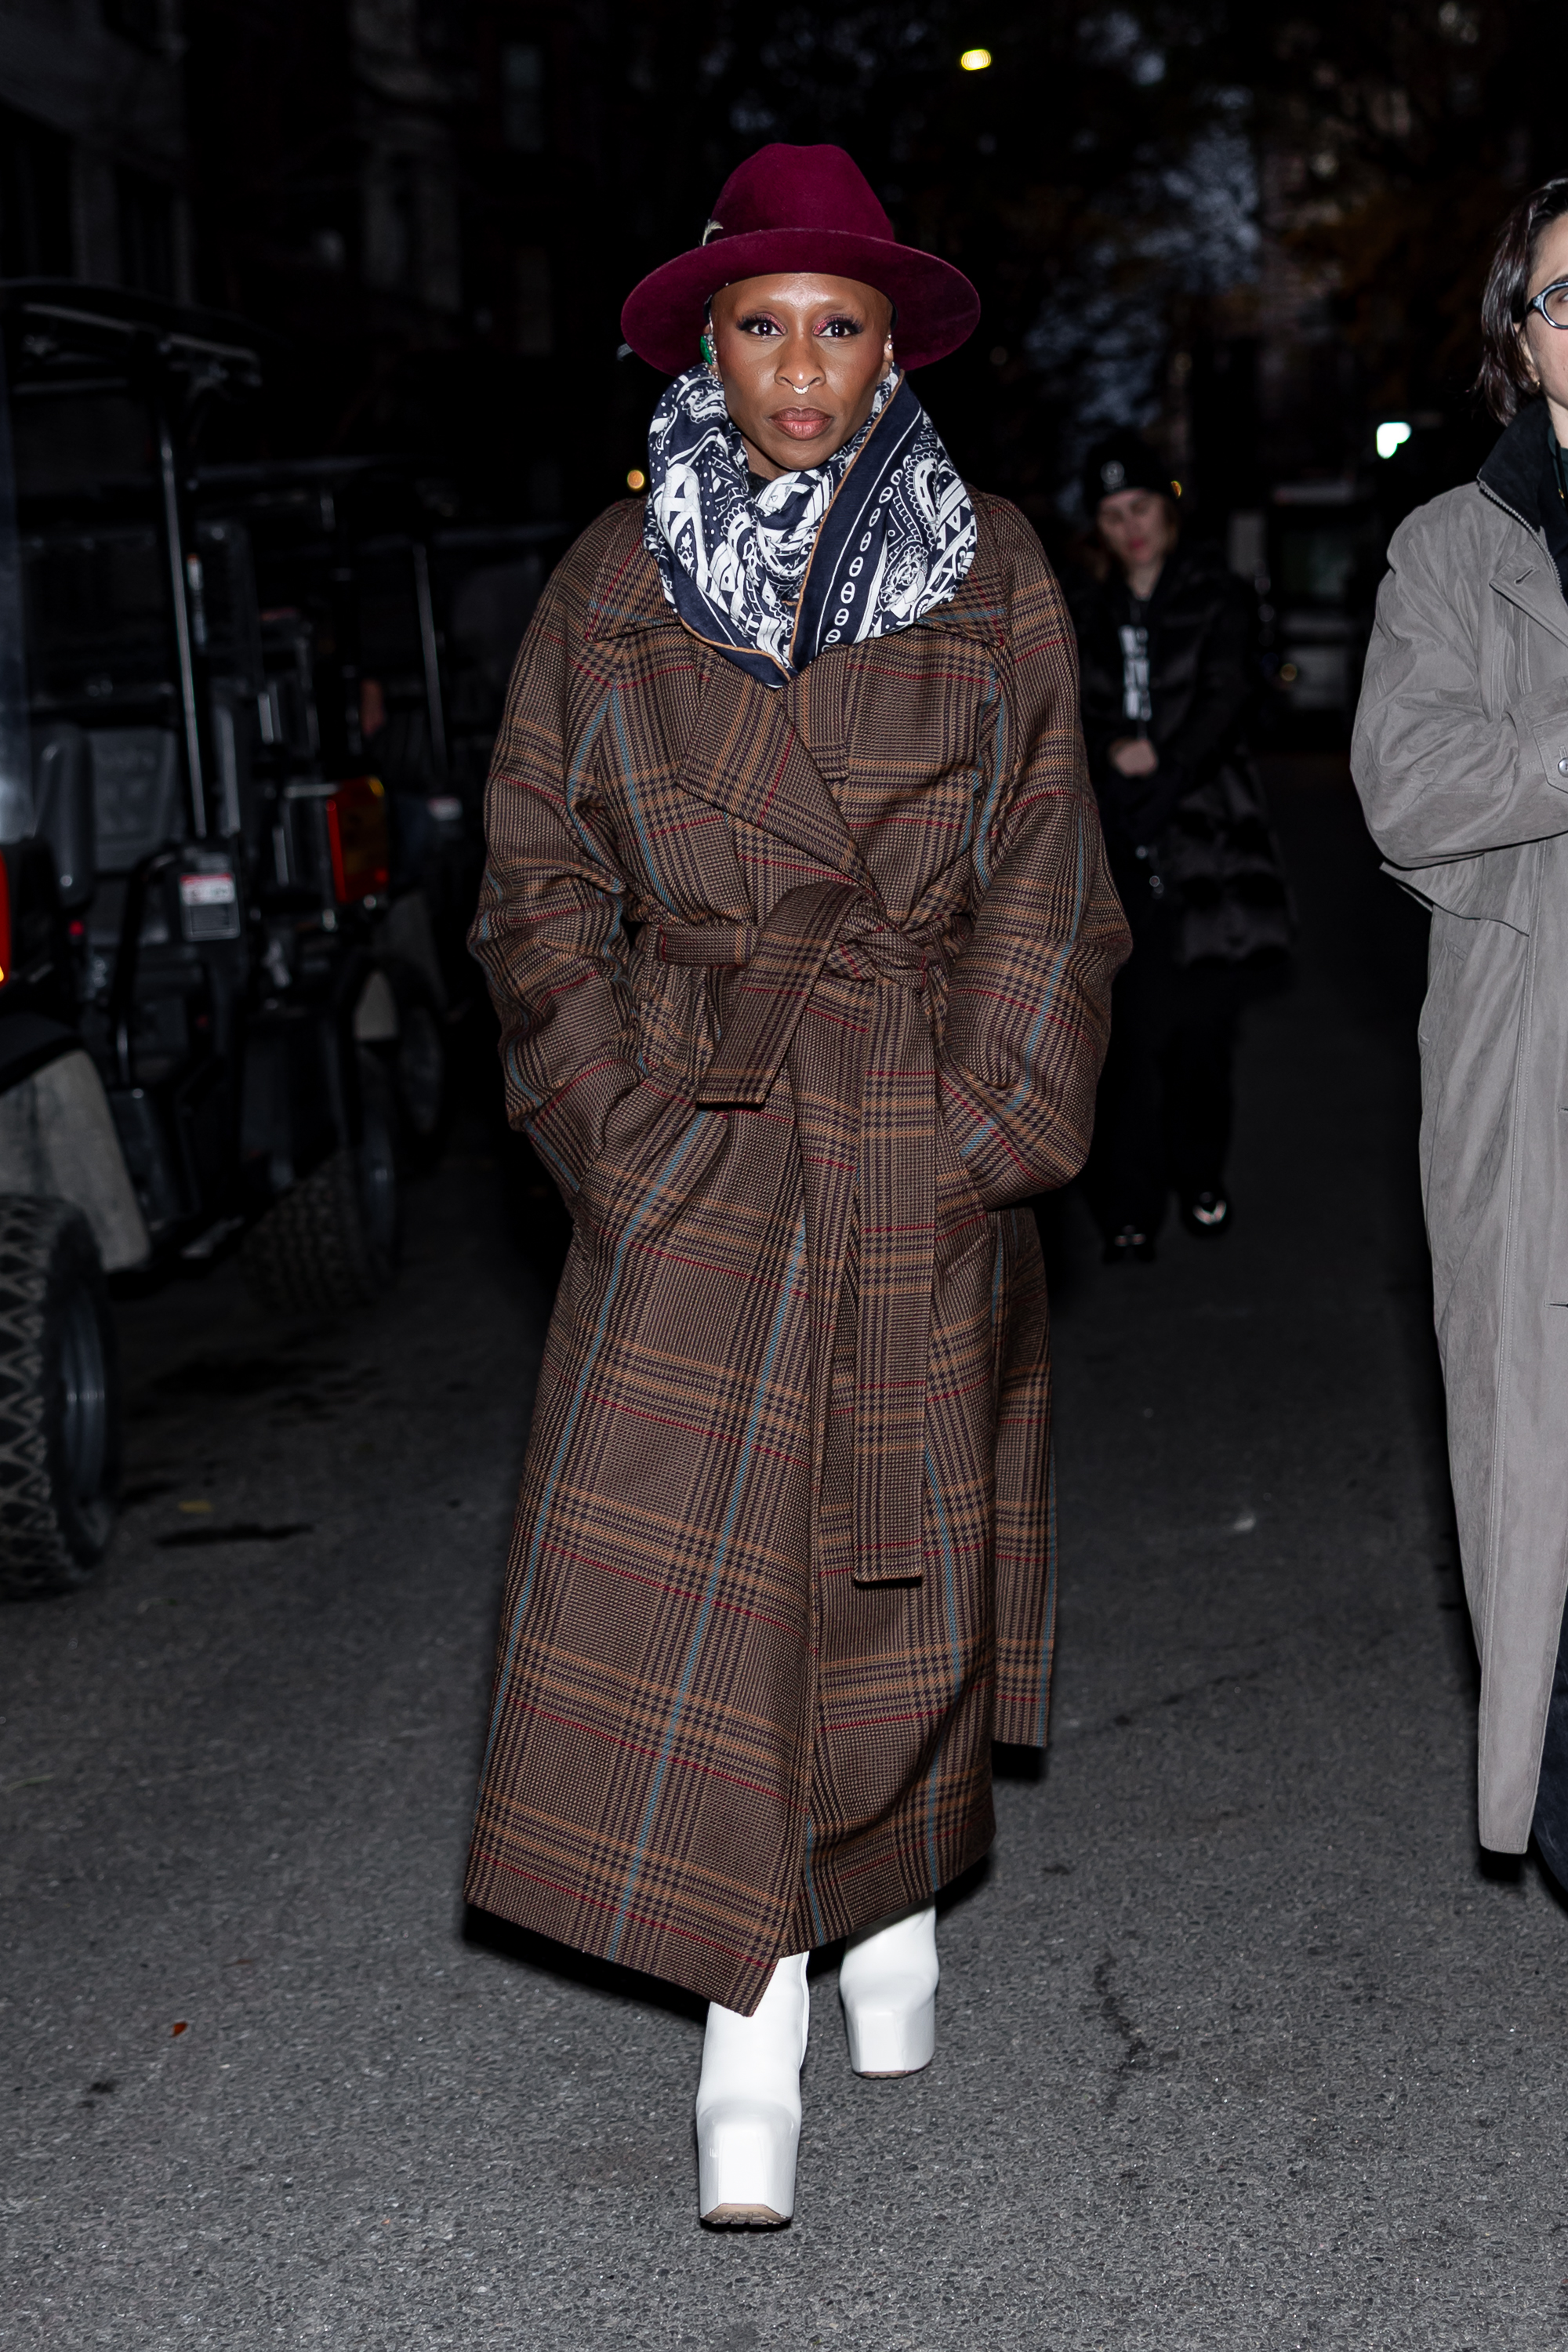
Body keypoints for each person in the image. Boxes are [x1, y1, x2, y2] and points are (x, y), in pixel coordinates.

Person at [463, 143, 1128, 2227]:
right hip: (701, 1121)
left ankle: (898, 1892)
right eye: (763, 328)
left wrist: (987, 1111)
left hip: (909, 1107)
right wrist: (615, 1132)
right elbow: (532, 887)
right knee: (699, 1576)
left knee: (893, 1558)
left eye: (839, 328)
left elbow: (1050, 863)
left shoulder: (993, 564)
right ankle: (747, 2024)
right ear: (706, 348)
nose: (802, 370)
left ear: (890, 347)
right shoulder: (613, 579)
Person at [1352, 176, 1568, 1892]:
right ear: (1521, 334)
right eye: (1566, 295)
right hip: (1538, 1071)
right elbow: (1409, 791)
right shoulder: (1451, 549)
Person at [1068, 433, 1291, 1262]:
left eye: (1139, 509)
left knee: (1202, 1034)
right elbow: (1061, 711)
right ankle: (1129, 1203)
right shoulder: (1083, 606)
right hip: (1115, 838)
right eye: (1110, 513)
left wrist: (1160, 759)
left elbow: (1228, 693)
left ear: (1165, 510)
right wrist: (1108, 767)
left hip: (1205, 840)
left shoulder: (1216, 594)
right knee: (1123, 1036)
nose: (1128, 527)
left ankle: (1198, 1172)